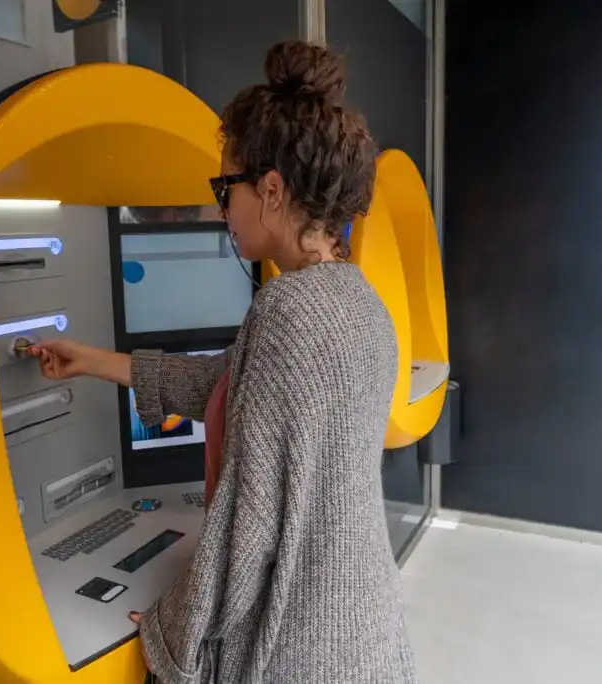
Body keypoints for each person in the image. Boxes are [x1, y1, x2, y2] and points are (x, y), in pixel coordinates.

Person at [29, 40, 417, 684]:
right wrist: (93, 360)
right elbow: (229, 386)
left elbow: (248, 522)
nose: (219, 209)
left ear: (270, 189)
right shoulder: (357, 299)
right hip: (359, 618)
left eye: (224, 186)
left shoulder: (289, 309)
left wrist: (171, 628)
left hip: (296, 642)